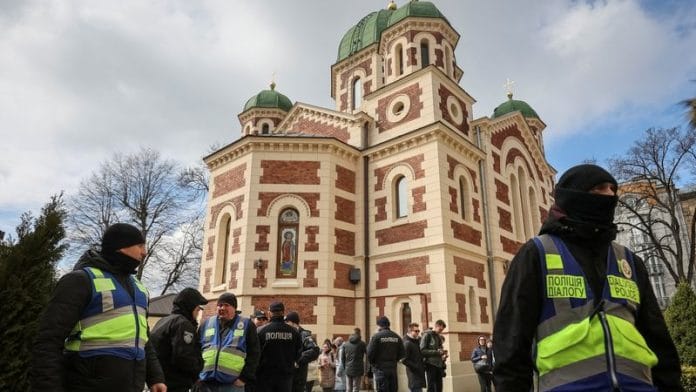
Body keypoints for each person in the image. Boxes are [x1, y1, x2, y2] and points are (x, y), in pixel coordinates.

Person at [493, 164, 684, 391]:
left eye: (613, 189)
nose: (610, 195)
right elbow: (511, 345)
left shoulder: (630, 262)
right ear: (574, 197)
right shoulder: (536, 254)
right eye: (599, 189)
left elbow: (659, 342)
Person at [31, 223, 166, 392]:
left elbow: (143, 339)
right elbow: (48, 342)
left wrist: (155, 378)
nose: (144, 252)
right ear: (121, 247)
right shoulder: (80, 280)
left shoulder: (139, 288)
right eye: (140, 245)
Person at [197, 292, 260, 392]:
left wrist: (244, 378)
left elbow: (254, 354)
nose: (222, 308)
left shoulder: (246, 325)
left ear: (234, 308)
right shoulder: (206, 324)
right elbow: (196, 350)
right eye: (220, 305)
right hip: (206, 383)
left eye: (226, 305)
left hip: (232, 385)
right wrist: (197, 375)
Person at [150, 287, 209, 392]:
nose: (198, 312)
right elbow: (184, 357)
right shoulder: (183, 324)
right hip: (175, 384)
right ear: (191, 307)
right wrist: (198, 372)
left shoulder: (164, 321)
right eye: (197, 309)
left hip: (158, 381)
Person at [256, 301, 302, 392]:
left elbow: (256, 354)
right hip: (286, 377)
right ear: (283, 313)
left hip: (265, 377)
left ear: (269, 313)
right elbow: (298, 353)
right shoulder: (294, 332)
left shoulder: (261, 331)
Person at [366, 316, 405, 392]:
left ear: (379, 326)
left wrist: (373, 364)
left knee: (382, 389)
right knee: (392, 389)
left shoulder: (376, 337)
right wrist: (394, 360)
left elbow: (369, 353)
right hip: (392, 369)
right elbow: (402, 353)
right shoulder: (396, 336)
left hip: (380, 369)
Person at [286, 311, 321, 392]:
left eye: (287, 322)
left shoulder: (304, 334)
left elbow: (314, 350)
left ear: (292, 322)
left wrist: (297, 360)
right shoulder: (288, 334)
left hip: (298, 379)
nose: (285, 324)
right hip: (287, 378)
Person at [420, 320, 447, 392]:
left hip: (439, 364)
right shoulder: (427, 335)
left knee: (439, 387)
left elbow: (440, 348)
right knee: (431, 387)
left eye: (442, 330)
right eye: (440, 329)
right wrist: (436, 352)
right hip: (430, 364)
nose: (441, 331)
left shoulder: (438, 337)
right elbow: (422, 350)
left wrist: (443, 354)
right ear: (436, 326)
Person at [341, 328, 367, 392]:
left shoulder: (345, 344)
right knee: (356, 388)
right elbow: (368, 354)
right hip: (358, 369)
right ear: (359, 333)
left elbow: (342, 358)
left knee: (348, 388)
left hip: (348, 368)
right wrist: (366, 368)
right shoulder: (362, 344)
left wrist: (345, 367)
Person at [402, 323, 426, 392]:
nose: (418, 332)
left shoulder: (416, 341)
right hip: (413, 374)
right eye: (416, 331)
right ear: (410, 331)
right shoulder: (407, 343)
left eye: (418, 331)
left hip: (419, 373)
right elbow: (404, 359)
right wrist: (416, 366)